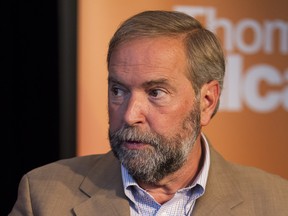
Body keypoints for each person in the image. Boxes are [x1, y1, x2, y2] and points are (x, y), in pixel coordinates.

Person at [9, 10, 288, 216]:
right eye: (118, 90)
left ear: (206, 101)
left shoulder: (276, 203)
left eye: (155, 93)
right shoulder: (44, 196)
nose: (130, 115)